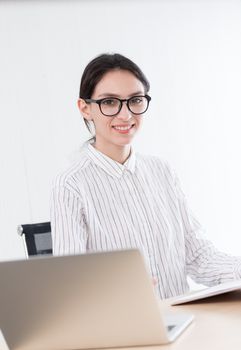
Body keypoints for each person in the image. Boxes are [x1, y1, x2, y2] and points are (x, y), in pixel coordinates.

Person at [50, 53, 241, 299]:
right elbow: (71, 283)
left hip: (183, 323)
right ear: (85, 108)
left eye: (135, 100)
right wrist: (116, 290)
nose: (125, 115)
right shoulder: (71, 185)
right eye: (109, 102)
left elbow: (198, 256)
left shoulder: (161, 171)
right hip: (123, 331)